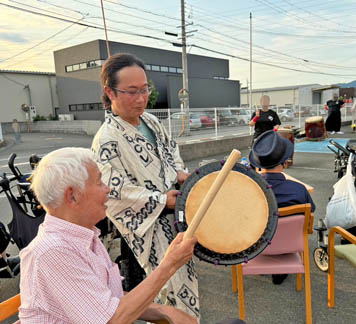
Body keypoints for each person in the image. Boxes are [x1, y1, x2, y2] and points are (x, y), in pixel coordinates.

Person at [19, 147, 198, 324]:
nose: (108, 189)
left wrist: (164, 310)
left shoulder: (85, 238)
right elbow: (112, 320)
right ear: (72, 196)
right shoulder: (52, 252)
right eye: (99, 183)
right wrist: (169, 265)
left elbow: (111, 301)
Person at [91, 53, 200, 319]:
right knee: (165, 293)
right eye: (132, 92)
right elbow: (116, 192)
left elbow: (171, 152)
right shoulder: (106, 140)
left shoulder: (150, 121)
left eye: (144, 90)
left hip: (176, 216)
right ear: (110, 92)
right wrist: (163, 200)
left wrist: (180, 173)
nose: (141, 99)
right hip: (151, 226)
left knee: (186, 284)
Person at [249, 130, 316, 285]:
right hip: (289, 244)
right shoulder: (299, 190)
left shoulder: (250, 192)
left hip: (256, 246)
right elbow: (309, 219)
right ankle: (282, 264)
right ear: (285, 162)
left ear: (257, 165)